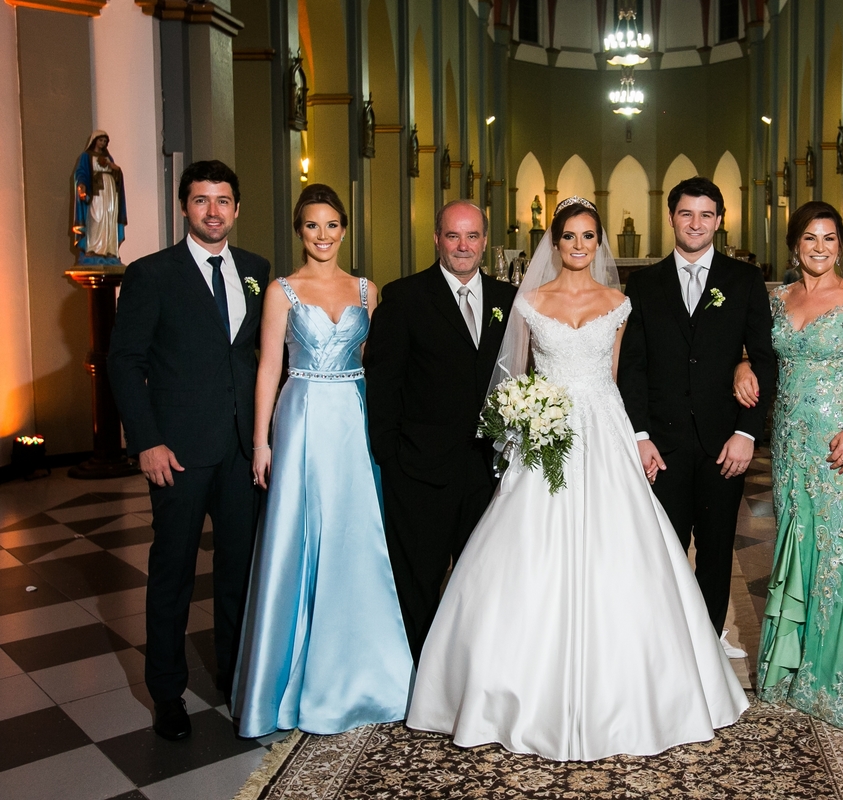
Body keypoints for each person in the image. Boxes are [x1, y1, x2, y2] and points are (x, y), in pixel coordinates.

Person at [407, 198, 748, 761]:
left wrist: (638, 435)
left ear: (599, 242)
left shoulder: (619, 303)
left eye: (589, 236)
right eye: (569, 236)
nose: (580, 245)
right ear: (555, 241)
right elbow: (513, 374)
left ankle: (645, 690)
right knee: (528, 551)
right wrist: (523, 417)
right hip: (545, 434)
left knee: (622, 550)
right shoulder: (529, 302)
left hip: (605, 430)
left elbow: (621, 376)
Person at [231, 185, 413, 737]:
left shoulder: (366, 290)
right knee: (302, 538)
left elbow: (378, 362)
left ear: (345, 229)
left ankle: (367, 674)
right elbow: (268, 368)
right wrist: (261, 443)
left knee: (358, 538)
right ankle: (290, 682)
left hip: (355, 416)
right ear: (299, 230)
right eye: (313, 225)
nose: (323, 235)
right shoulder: (281, 291)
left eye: (332, 225)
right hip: (304, 416)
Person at [108, 161, 270, 740]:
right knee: (173, 573)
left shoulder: (256, 270)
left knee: (239, 573)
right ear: (185, 207)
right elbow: (124, 361)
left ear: (236, 208)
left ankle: (235, 679)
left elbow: (258, 357)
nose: (213, 211)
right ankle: (167, 693)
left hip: (241, 451)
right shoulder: (151, 273)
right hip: (175, 452)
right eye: (201, 200)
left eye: (223, 200)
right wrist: (146, 441)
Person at [735, 201, 843, 728]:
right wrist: (741, 364)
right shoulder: (776, 299)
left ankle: (832, 677)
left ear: (840, 246)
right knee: (796, 543)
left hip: (838, 442)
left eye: (829, 238)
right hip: (788, 444)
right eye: (809, 238)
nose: (819, 248)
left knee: (836, 552)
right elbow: (754, 351)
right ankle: (791, 669)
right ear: (794, 246)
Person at [618, 177, 776, 656]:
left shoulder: (743, 279)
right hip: (661, 443)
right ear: (671, 218)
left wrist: (747, 431)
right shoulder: (644, 283)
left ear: (719, 221)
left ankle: (708, 641)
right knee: (661, 548)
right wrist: (639, 434)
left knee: (716, 547)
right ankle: (665, 646)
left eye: (706, 215)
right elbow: (633, 366)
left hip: (723, 441)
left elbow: (764, 358)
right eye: (686, 213)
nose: (695, 223)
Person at [363, 200, 517, 663]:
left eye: (472, 236)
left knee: (481, 582)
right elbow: (383, 383)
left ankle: (468, 672)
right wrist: (391, 457)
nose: (463, 246)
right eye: (453, 236)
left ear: (485, 241)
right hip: (420, 471)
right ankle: (418, 675)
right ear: (437, 239)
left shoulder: (509, 300)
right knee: (419, 584)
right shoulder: (404, 297)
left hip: (488, 471)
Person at [72, 130, 126, 264]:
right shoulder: (86, 156)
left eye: (104, 141)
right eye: (100, 140)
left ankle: (109, 249)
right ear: (94, 140)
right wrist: (82, 185)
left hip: (109, 192)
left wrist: (114, 168)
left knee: (109, 217)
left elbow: (117, 173)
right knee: (96, 216)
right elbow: (81, 172)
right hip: (95, 191)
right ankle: (93, 248)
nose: (102, 143)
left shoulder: (108, 158)